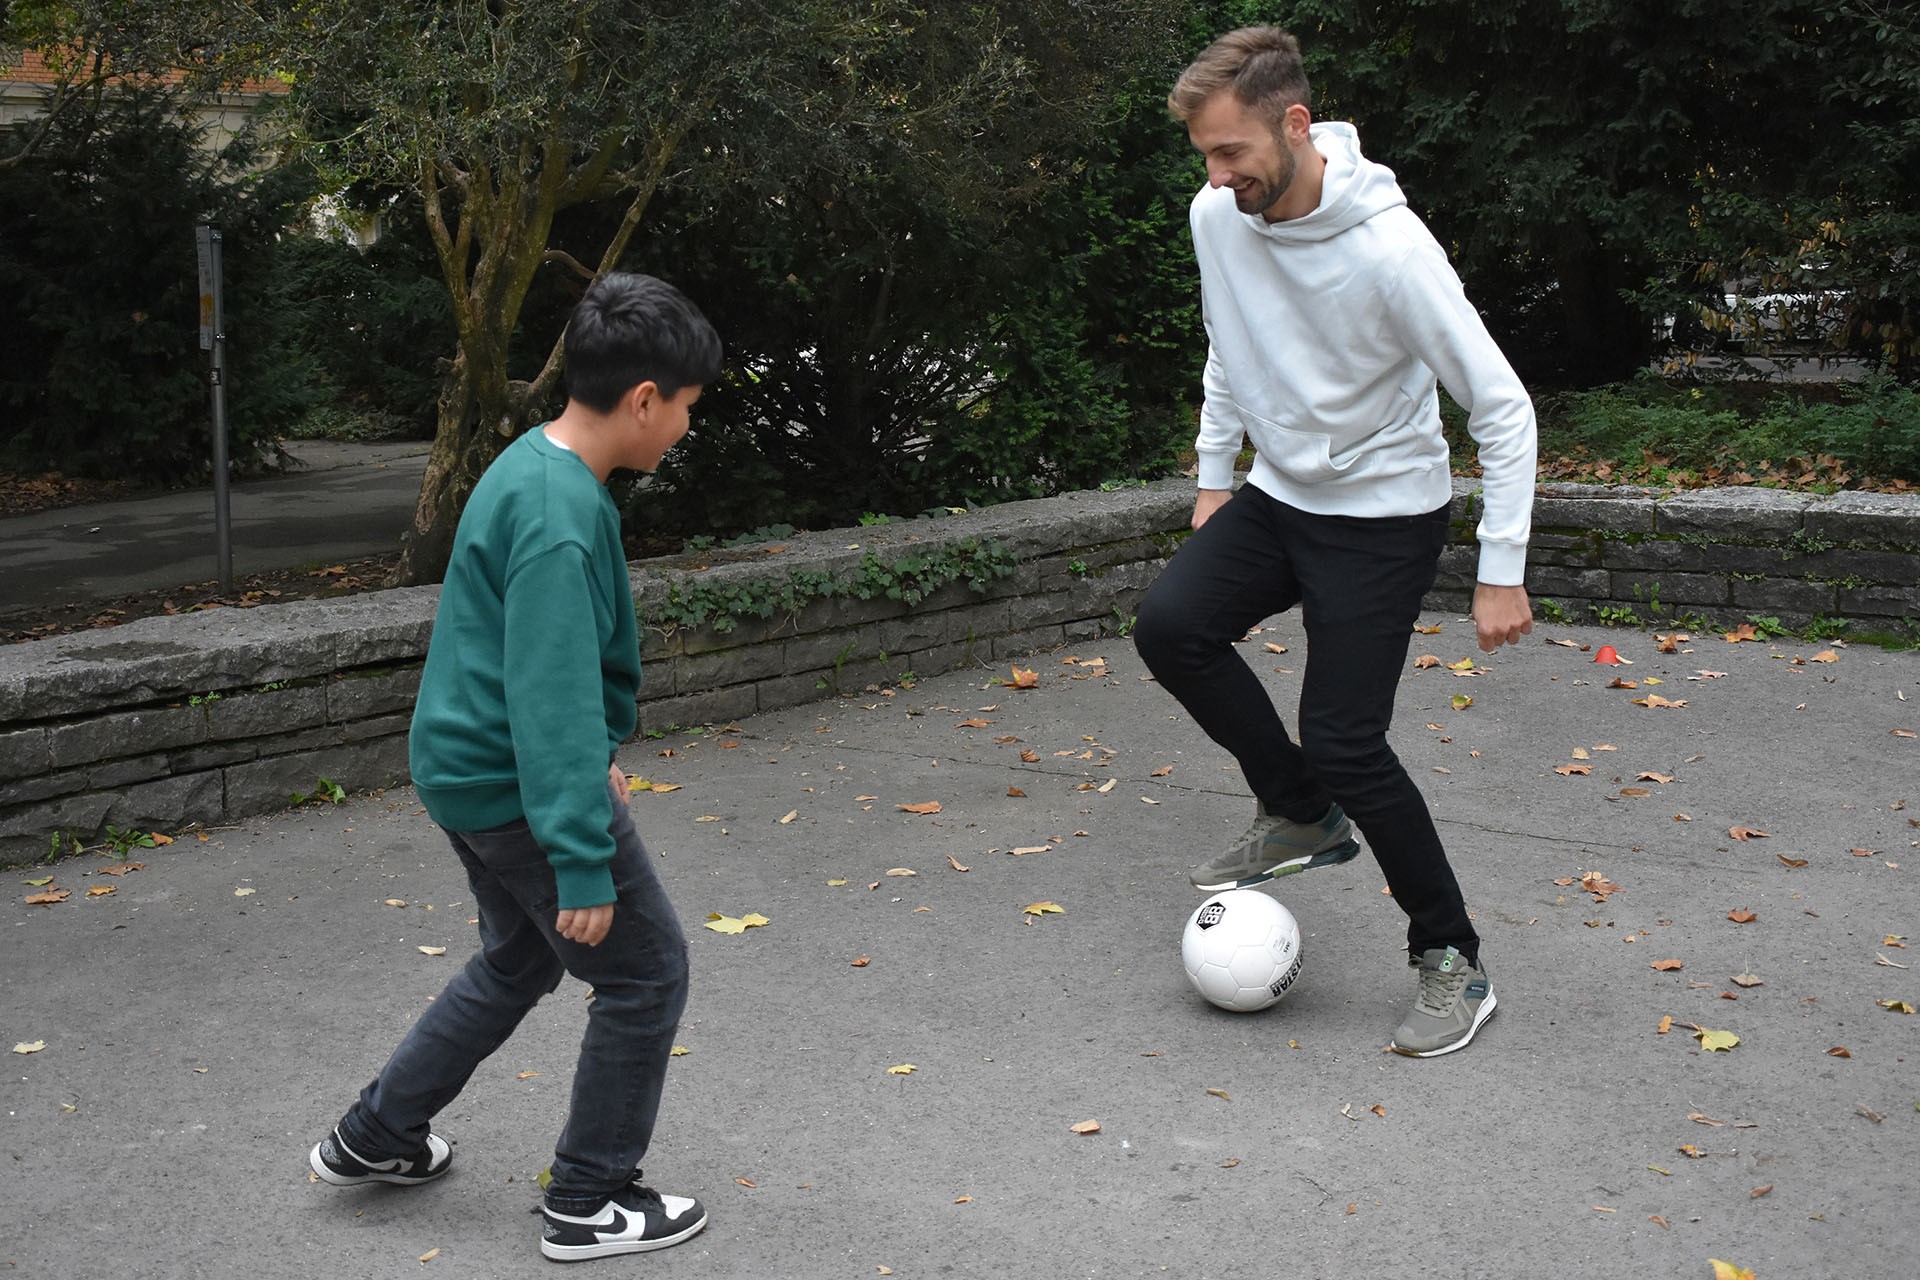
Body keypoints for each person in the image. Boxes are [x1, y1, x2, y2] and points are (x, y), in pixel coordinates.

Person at [1133, 27, 1537, 1058]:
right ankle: (1300, 812)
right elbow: (1232, 338)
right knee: (1171, 625)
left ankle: (1453, 958)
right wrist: (1216, 476)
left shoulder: (1392, 251)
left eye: (1232, 154)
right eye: (1207, 160)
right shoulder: (1217, 218)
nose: (1219, 179)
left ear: (1294, 124)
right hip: (1281, 493)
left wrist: (1500, 568)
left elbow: (1503, 408)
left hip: (1384, 514)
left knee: (1348, 735)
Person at [307, 272, 723, 1260]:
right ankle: (588, 1196)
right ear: (643, 400)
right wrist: (579, 851)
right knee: (646, 971)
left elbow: (541, 680)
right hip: (516, 787)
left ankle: (376, 1133)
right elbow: (551, 698)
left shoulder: (539, 465)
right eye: (687, 412)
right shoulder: (559, 519)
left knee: (518, 956)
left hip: (469, 769)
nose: (685, 431)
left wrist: (587, 764)